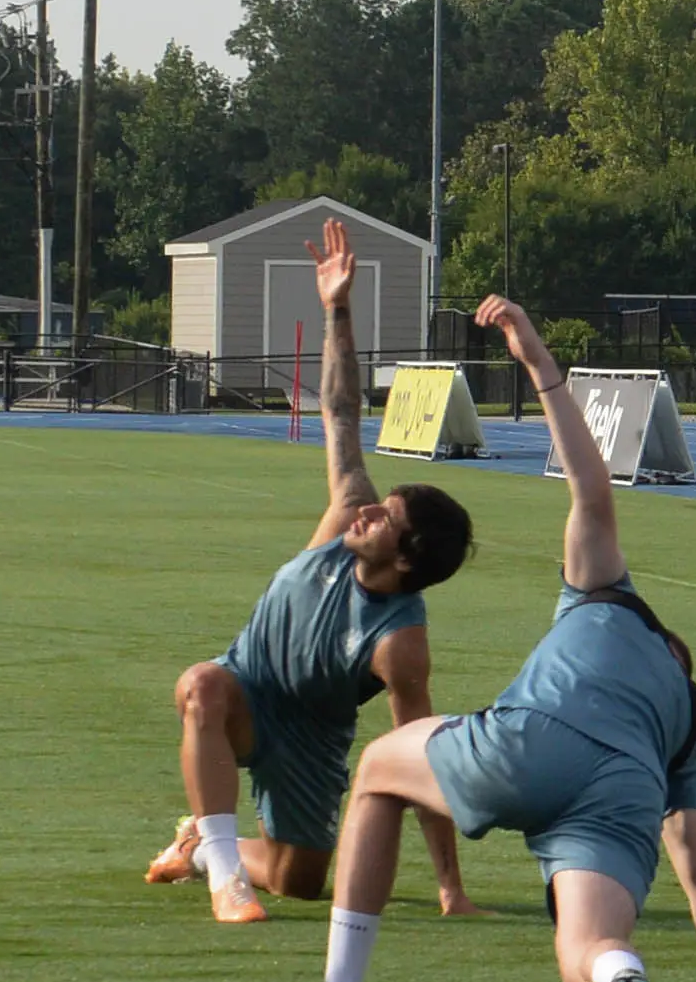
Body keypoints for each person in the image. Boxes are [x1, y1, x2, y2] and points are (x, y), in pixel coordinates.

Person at [302, 299, 696, 982]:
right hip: (621, 794)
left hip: (535, 740)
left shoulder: (604, 597)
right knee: (586, 951)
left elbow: (590, 487)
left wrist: (538, 362)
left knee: (376, 771)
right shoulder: (683, 726)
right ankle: (618, 975)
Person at [144, 218, 478, 923]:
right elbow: (340, 410)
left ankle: (198, 847)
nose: (367, 513)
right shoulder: (344, 515)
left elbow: (418, 756)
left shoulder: (399, 643)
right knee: (201, 684)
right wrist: (337, 307)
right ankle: (226, 879)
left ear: (407, 558)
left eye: (385, 520)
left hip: (310, 738)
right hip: (246, 691)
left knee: (299, 881)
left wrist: (450, 886)